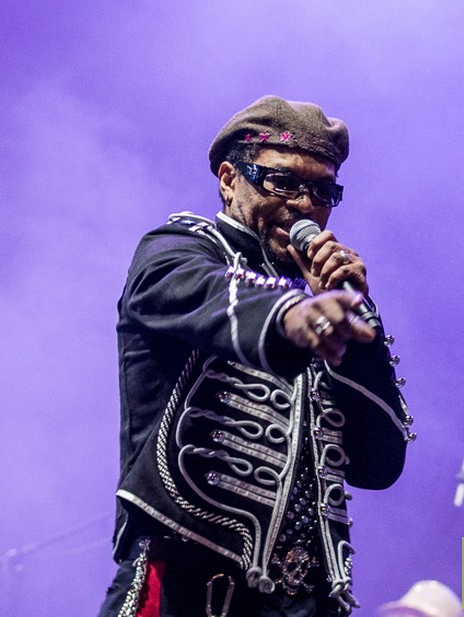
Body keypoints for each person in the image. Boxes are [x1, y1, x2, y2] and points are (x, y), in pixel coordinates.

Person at [99, 96, 415, 617]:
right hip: (186, 593)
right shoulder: (175, 251)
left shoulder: (324, 307)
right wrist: (291, 316)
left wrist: (358, 325)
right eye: (283, 182)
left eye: (322, 191)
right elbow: (203, 291)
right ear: (229, 179)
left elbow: (379, 464)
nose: (304, 204)